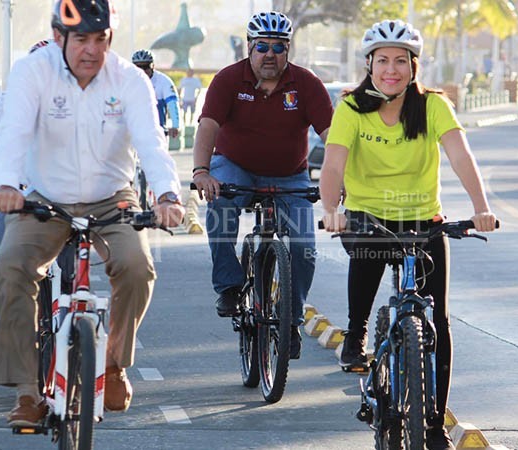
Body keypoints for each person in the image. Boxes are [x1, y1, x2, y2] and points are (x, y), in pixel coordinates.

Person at [0, 0, 184, 427]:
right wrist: (5, 184)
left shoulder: (130, 79)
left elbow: (151, 142)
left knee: (137, 266)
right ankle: (26, 391)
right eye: (81, 39)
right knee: (10, 267)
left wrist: (168, 195)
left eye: (101, 39)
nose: (91, 51)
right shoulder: (32, 71)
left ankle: (113, 364)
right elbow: (14, 131)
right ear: (59, 37)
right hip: (45, 198)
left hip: (111, 197)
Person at [319, 20, 497, 450]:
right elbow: (333, 164)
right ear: (369, 65)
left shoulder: (433, 107)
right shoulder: (350, 109)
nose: (391, 69)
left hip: (422, 220)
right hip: (368, 218)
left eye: (401, 61)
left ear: (414, 67)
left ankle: (433, 425)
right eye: (383, 61)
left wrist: (481, 208)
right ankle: (358, 333)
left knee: (439, 319)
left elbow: (460, 155)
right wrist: (330, 210)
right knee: (367, 256)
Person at [191, 11, 333, 359]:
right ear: (250, 47)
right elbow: (208, 127)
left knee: (304, 247)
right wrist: (201, 172)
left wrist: (338, 178)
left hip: (290, 175)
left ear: (288, 50)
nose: (270, 54)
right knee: (221, 205)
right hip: (235, 168)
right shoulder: (227, 80)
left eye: (278, 47)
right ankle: (228, 284)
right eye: (262, 47)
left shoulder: (306, 83)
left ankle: (292, 321)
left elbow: (333, 137)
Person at [0, 39, 53, 327]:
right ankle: (7, 334)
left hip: (63, 197)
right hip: (18, 196)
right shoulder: (9, 99)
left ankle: (76, 315)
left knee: (78, 261)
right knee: (6, 267)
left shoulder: (73, 99)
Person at [131, 49, 180, 139]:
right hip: (136, 131)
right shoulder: (128, 81)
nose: (143, 71)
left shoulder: (163, 81)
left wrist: (175, 125)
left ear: (153, 66)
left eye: (146, 67)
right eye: (138, 67)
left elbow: (172, 104)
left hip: (157, 133)